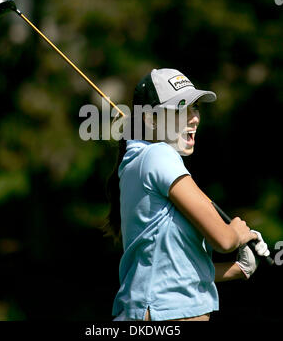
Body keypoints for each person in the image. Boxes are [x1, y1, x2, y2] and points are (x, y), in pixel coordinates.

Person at [104, 68, 270, 321]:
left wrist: (239, 269)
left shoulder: (140, 160)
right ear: (151, 119)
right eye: (182, 109)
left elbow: (173, 273)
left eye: (196, 108)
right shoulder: (158, 155)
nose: (194, 118)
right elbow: (223, 240)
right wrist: (239, 231)